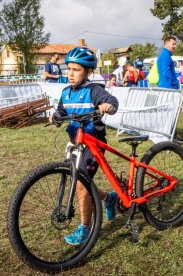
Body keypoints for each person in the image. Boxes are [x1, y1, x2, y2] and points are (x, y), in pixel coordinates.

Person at [50, 46, 119, 245]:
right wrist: (56, 115)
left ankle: (85, 228)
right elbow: (61, 111)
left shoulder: (94, 90)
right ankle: (108, 199)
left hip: (93, 144)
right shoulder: (66, 92)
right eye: (68, 69)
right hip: (75, 144)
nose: (70, 74)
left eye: (76, 70)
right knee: (79, 183)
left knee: (80, 184)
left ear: (88, 72)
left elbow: (111, 101)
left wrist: (108, 107)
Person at [157, 36, 183, 143]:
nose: (175, 46)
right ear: (166, 43)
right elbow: (166, 72)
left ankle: (172, 134)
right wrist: (175, 83)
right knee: (171, 113)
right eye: (173, 44)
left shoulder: (165, 55)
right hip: (168, 88)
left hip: (167, 87)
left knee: (171, 113)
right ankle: (172, 135)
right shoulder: (165, 55)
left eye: (175, 44)